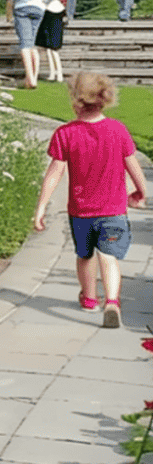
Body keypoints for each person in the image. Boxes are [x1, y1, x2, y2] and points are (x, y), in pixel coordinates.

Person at [33, 73, 146, 328]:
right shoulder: (117, 130)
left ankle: (89, 298)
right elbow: (133, 165)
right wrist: (141, 192)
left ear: (76, 101)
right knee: (108, 256)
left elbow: (54, 173)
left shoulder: (65, 133)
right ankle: (112, 302)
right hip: (113, 211)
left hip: (81, 212)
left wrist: (41, 208)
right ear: (105, 100)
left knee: (85, 255)